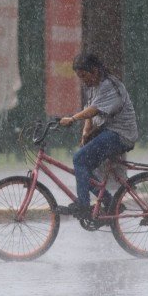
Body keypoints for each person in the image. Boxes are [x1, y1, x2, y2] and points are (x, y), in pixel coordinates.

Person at [59, 52, 139, 219]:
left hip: (120, 134)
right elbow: (91, 109)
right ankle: (110, 203)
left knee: (79, 159)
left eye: (84, 75)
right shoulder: (93, 87)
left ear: (95, 71)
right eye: (79, 77)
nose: (83, 80)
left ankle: (83, 206)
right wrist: (85, 133)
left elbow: (94, 109)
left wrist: (73, 118)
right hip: (108, 131)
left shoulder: (110, 85)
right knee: (83, 168)